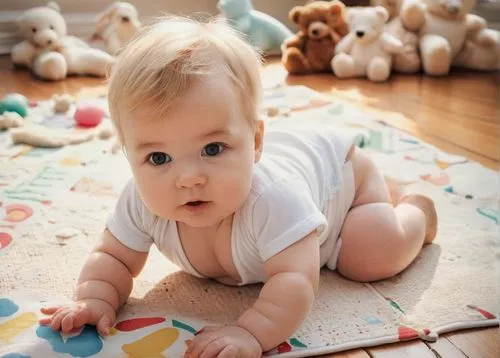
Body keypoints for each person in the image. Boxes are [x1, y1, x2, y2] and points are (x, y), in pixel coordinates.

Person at [39, 15, 437, 357]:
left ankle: (415, 209)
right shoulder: (140, 200)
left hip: (340, 178)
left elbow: (295, 280)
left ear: (256, 142)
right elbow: (113, 257)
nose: (189, 177)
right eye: (158, 158)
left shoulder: (274, 199)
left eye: (213, 148)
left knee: (369, 254)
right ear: (129, 155)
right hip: (300, 170)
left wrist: (252, 331)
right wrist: (94, 298)